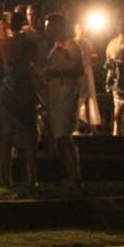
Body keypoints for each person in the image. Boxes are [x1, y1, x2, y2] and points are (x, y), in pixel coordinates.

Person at [0, 11, 41, 186]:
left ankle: (6, 177)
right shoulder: (30, 45)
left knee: (6, 135)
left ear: (8, 25)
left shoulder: (2, 45)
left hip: (8, 90)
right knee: (29, 133)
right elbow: (33, 67)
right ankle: (32, 176)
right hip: (26, 89)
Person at [44, 13, 85, 195]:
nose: (47, 30)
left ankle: (75, 180)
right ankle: (70, 178)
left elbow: (79, 69)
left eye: (49, 26)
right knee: (60, 138)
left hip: (66, 97)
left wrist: (56, 74)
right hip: (56, 98)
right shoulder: (54, 47)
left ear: (58, 27)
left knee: (64, 137)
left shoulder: (72, 46)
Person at [74, 22, 102, 133]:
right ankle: (75, 125)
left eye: (83, 29)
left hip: (87, 72)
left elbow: (91, 57)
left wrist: (92, 60)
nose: (82, 31)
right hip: (78, 72)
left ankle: (90, 125)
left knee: (88, 97)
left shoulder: (88, 43)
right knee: (78, 97)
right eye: (79, 29)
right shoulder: (74, 43)